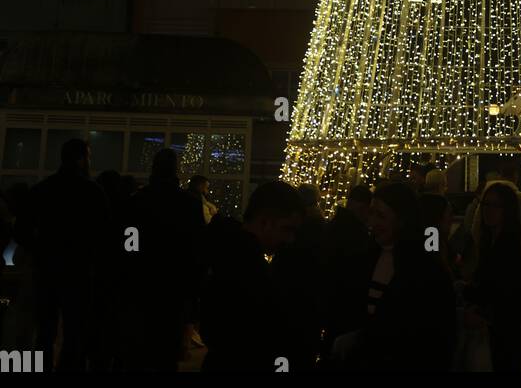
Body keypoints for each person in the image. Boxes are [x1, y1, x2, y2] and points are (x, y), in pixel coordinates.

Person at [329, 181, 456, 372]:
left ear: (402, 219)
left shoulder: (425, 270)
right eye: (371, 213)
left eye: (380, 215)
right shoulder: (365, 257)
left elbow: (434, 336)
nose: (372, 222)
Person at [14, 138, 110, 371]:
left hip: (47, 269)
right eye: (87, 156)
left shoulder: (43, 189)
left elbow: (21, 229)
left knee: (45, 331)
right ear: (81, 159)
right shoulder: (92, 191)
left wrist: (39, 250)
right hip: (78, 270)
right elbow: (106, 232)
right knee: (75, 331)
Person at [200, 180, 307, 372]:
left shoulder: (226, 250)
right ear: (265, 221)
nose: (290, 239)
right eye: (286, 229)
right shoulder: (248, 267)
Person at [116, 148, 208, 371]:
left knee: (141, 351)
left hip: (142, 286)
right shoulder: (190, 204)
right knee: (167, 354)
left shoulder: (137, 202)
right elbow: (196, 250)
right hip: (174, 288)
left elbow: (129, 246)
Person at [464, 181, 521, 372]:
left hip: (504, 331)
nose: (489, 211)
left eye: (495, 206)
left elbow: (505, 292)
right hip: (495, 330)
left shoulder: (510, 248)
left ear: (507, 210)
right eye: (486, 205)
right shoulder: (489, 244)